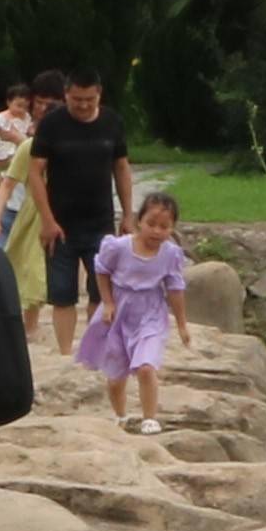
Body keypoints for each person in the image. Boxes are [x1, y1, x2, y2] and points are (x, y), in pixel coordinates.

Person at [75, 184, 191, 432]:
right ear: (139, 221)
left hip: (150, 312)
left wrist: (181, 323)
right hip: (120, 310)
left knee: (146, 366)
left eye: (164, 227)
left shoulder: (170, 254)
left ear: (172, 228)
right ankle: (121, 415)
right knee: (116, 373)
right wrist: (107, 302)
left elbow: (175, 288)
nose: (157, 231)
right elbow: (102, 270)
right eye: (151, 224)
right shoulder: (118, 247)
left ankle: (150, 417)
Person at [29, 66, 129, 351]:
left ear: (99, 95)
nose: (83, 105)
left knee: (101, 292)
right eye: (77, 100)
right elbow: (35, 172)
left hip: (101, 222)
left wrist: (129, 215)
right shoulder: (51, 124)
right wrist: (47, 220)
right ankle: (64, 352)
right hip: (60, 223)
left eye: (89, 99)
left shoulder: (112, 122)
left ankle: (94, 349)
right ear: (66, 95)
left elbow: (121, 167)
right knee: (62, 294)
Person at [0, 72, 47, 313]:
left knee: (29, 263)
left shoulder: (32, 134)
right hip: (13, 204)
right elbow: (3, 170)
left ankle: (24, 315)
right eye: (40, 103)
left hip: (33, 210)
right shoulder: (9, 126)